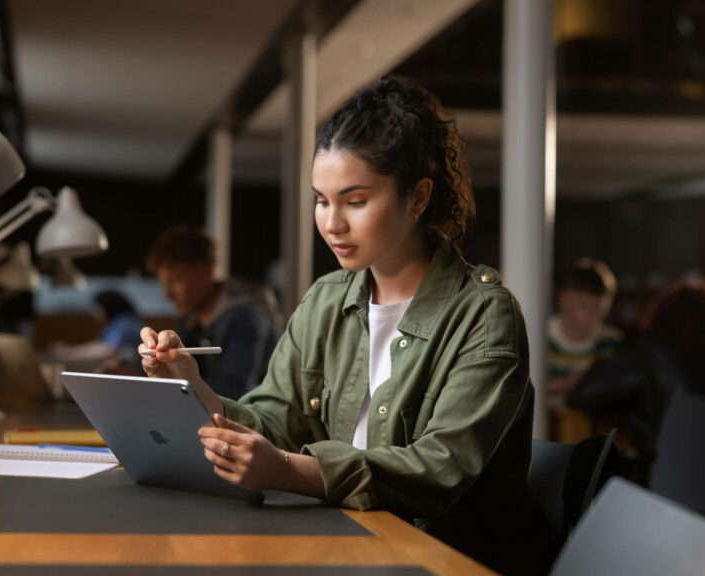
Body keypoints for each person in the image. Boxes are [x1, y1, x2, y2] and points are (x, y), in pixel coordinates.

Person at [139, 78, 552, 575]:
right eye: (321, 200)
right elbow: (275, 420)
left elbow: (439, 469)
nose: (332, 223)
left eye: (354, 201)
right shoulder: (326, 299)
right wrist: (193, 387)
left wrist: (289, 470)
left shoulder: (485, 315)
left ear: (418, 197)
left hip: (444, 562)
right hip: (345, 548)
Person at [568, 280, 705, 480]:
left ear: (661, 319)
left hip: (677, 495)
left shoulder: (649, 356)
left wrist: (628, 416)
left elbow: (581, 395)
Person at [146, 227, 279, 400]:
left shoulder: (246, 319)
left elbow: (232, 393)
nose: (167, 294)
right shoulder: (192, 320)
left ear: (206, 270)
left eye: (175, 281)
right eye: (164, 283)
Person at [547, 258, 623, 395]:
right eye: (584, 305)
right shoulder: (539, 340)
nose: (592, 315)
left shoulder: (612, 344)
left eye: (598, 308)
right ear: (563, 299)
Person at [47, 289, 143, 374]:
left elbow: (106, 349)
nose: (94, 314)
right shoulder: (119, 322)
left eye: (96, 308)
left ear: (106, 307)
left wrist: (68, 352)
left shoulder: (125, 323)